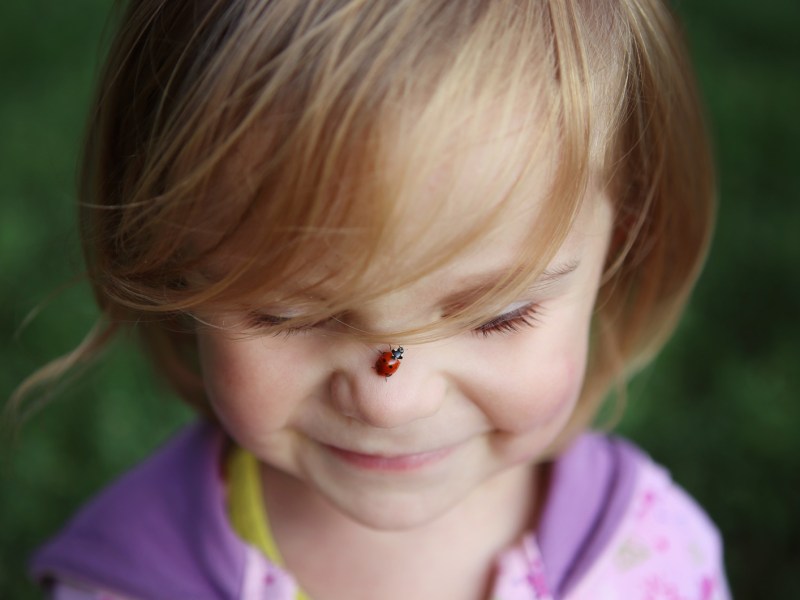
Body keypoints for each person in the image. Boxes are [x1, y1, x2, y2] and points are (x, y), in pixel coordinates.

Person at [21, 0, 731, 598]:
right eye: (289, 314)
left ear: (621, 242)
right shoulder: (128, 582)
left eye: (496, 316)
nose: (393, 399)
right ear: (173, 254)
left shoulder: (652, 561)